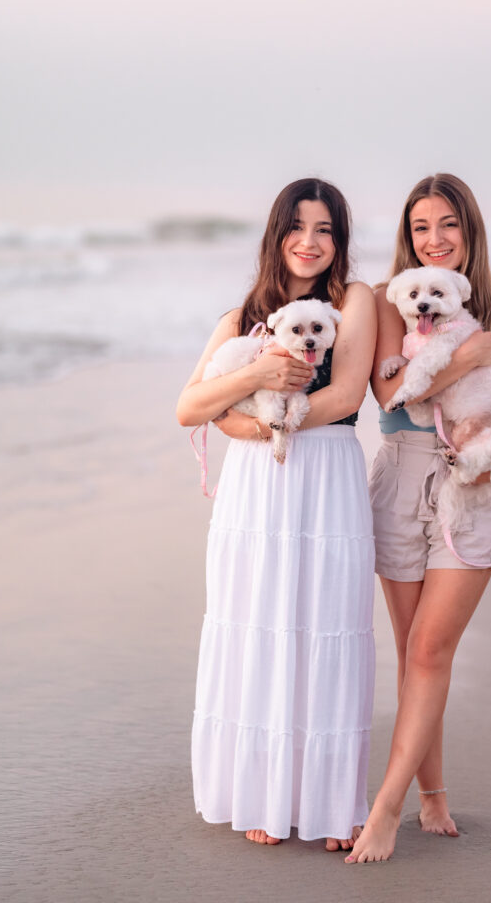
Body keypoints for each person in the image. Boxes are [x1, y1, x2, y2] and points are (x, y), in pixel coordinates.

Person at [346, 173, 491, 863]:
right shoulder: (391, 304)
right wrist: (462, 360)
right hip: (396, 478)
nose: (434, 239)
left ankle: (384, 810)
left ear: (469, 232)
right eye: (420, 228)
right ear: (406, 238)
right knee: (412, 649)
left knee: (428, 651)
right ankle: (431, 795)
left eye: (447, 224)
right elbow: (386, 390)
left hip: (469, 485)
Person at [177, 178, 377, 851]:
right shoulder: (244, 315)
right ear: (276, 234)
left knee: (327, 625)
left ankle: (329, 804)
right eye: (297, 226)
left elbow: (347, 391)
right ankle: (258, 792)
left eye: (325, 229)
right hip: (258, 488)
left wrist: (266, 426)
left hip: (326, 475)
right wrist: (254, 387)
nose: (309, 241)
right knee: (258, 624)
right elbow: (189, 407)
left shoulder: (356, 302)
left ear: (339, 240)